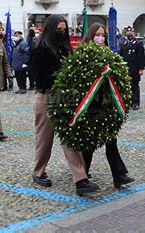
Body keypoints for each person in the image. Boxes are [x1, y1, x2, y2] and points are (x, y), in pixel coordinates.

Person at [31, 14, 99, 195]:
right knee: (44, 139)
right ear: (50, 30)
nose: (61, 33)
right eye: (58, 30)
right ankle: (38, 171)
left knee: (70, 137)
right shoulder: (40, 49)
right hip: (46, 96)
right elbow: (38, 78)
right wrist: (61, 77)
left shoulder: (66, 48)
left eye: (64, 29)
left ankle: (81, 179)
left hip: (64, 97)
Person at [80, 23, 134, 187]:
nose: (100, 38)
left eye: (103, 35)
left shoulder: (109, 54)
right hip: (90, 104)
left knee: (111, 140)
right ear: (90, 35)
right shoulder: (83, 55)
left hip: (106, 104)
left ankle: (119, 175)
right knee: (88, 143)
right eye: (97, 34)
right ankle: (81, 175)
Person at [119, 26, 145, 110]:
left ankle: (135, 102)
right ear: (125, 33)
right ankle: (128, 102)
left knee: (134, 86)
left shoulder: (138, 44)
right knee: (126, 86)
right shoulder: (124, 44)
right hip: (126, 68)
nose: (129, 33)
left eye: (131, 32)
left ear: (134, 33)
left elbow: (141, 57)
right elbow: (121, 55)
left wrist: (141, 68)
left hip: (135, 69)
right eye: (128, 32)